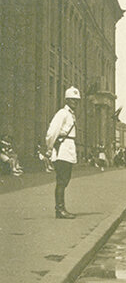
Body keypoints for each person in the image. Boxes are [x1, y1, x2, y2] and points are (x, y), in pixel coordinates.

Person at [45, 86, 81, 219]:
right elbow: (52, 132)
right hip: (62, 150)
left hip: (68, 150)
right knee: (62, 180)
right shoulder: (62, 113)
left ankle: (61, 208)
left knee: (65, 180)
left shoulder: (71, 114)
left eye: (77, 100)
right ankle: (59, 210)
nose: (75, 102)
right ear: (67, 100)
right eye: (72, 100)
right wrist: (49, 148)